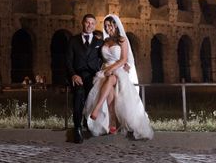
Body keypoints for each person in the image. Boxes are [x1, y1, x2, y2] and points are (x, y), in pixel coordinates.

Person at [84, 15, 153, 140]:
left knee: (111, 79)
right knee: (110, 92)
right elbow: (101, 57)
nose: (107, 28)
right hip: (105, 70)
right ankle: (112, 122)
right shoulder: (105, 41)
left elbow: (123, 59)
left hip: (118, 69)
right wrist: (106, 69)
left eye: (109, 25)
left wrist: (112, 69)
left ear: (115, 25)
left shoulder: (122, 40)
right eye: (105, 26)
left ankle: (97, 109)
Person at [66, 13, 104, 143]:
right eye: (87, 22)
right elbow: (68, 60)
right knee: (79, 93)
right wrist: (73, 74)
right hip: (78, 75)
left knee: (93, 95)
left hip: (93, 76)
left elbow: (105, 57)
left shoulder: (99, 41)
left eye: (92, 23)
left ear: (95, 25)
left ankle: (89, 123)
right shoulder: (73, 40)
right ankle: (77, 127)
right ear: (83, 23)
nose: (90, 25)